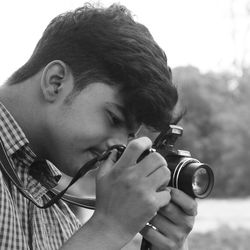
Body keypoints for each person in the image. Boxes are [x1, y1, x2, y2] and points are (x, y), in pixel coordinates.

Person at [0, 3, 197, 250]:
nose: (119, 146)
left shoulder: (53, 208)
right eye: (113, 118)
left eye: (129, 135)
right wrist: (109, 227)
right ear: (56, 82)